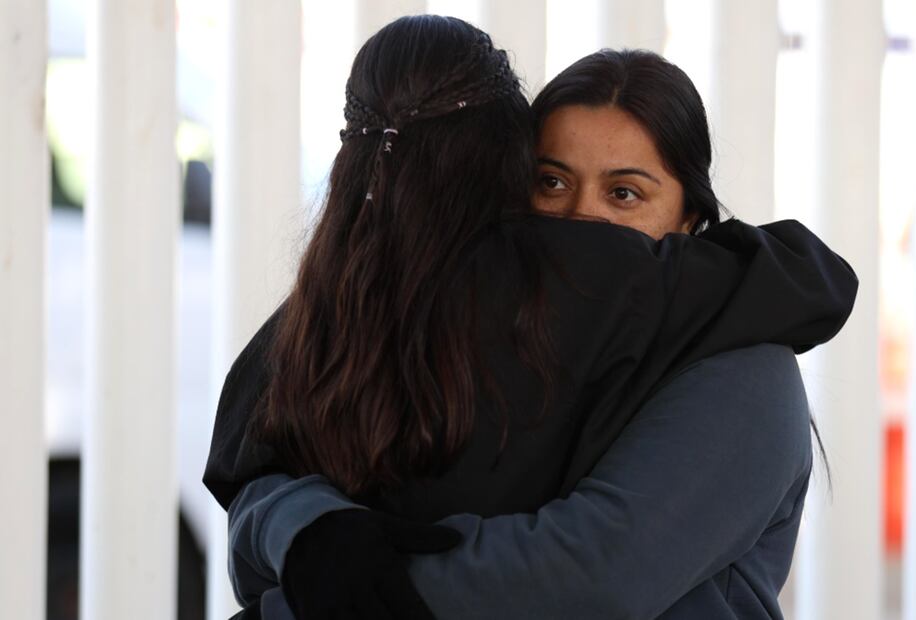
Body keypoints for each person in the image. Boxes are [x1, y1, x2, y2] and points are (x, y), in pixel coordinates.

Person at [203, 16, 857, 619]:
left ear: (689, 218)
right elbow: (290, 475)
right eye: (550, 182)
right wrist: (302, 522)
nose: (581, 220)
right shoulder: (479, 333)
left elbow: (588, 576)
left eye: (624, 193)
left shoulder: (741, 369)